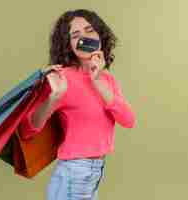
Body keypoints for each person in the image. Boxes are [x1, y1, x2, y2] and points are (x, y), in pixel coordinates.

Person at [18, 9, 136, 200]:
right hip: (74, 173)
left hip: (95, 173)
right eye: (75, 35)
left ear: (99, 35)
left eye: (90, 30)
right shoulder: (61, 78)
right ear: (69, 45)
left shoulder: (107, 79)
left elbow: (128, 120)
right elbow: (27, 130)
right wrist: (54, 97)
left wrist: (98, 81)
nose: (84, 38)